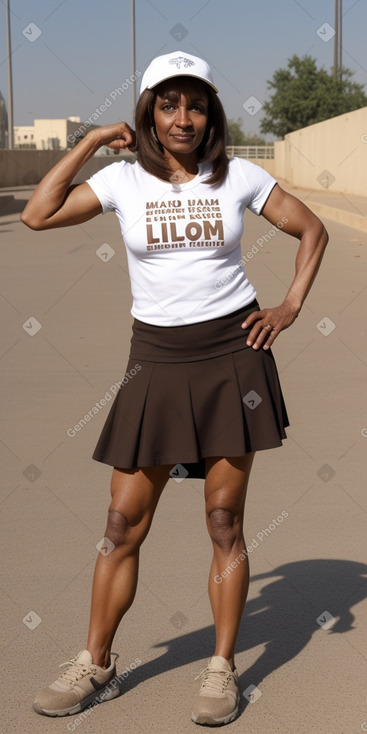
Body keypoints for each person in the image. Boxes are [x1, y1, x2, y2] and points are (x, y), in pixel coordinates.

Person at [21, 50, 328, 727]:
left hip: (230, 360)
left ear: (209, 112)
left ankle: (221, 668)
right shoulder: (124, 181)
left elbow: (311, 229)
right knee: (119, 524)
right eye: (167, 104)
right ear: (150, 115)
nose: (181, 117)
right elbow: (37, 216)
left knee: (224, 523)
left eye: (193, 104)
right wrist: (93, 143)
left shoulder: (237, 174)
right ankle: (95, 662)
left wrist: (288, 306)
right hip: (154, 362)